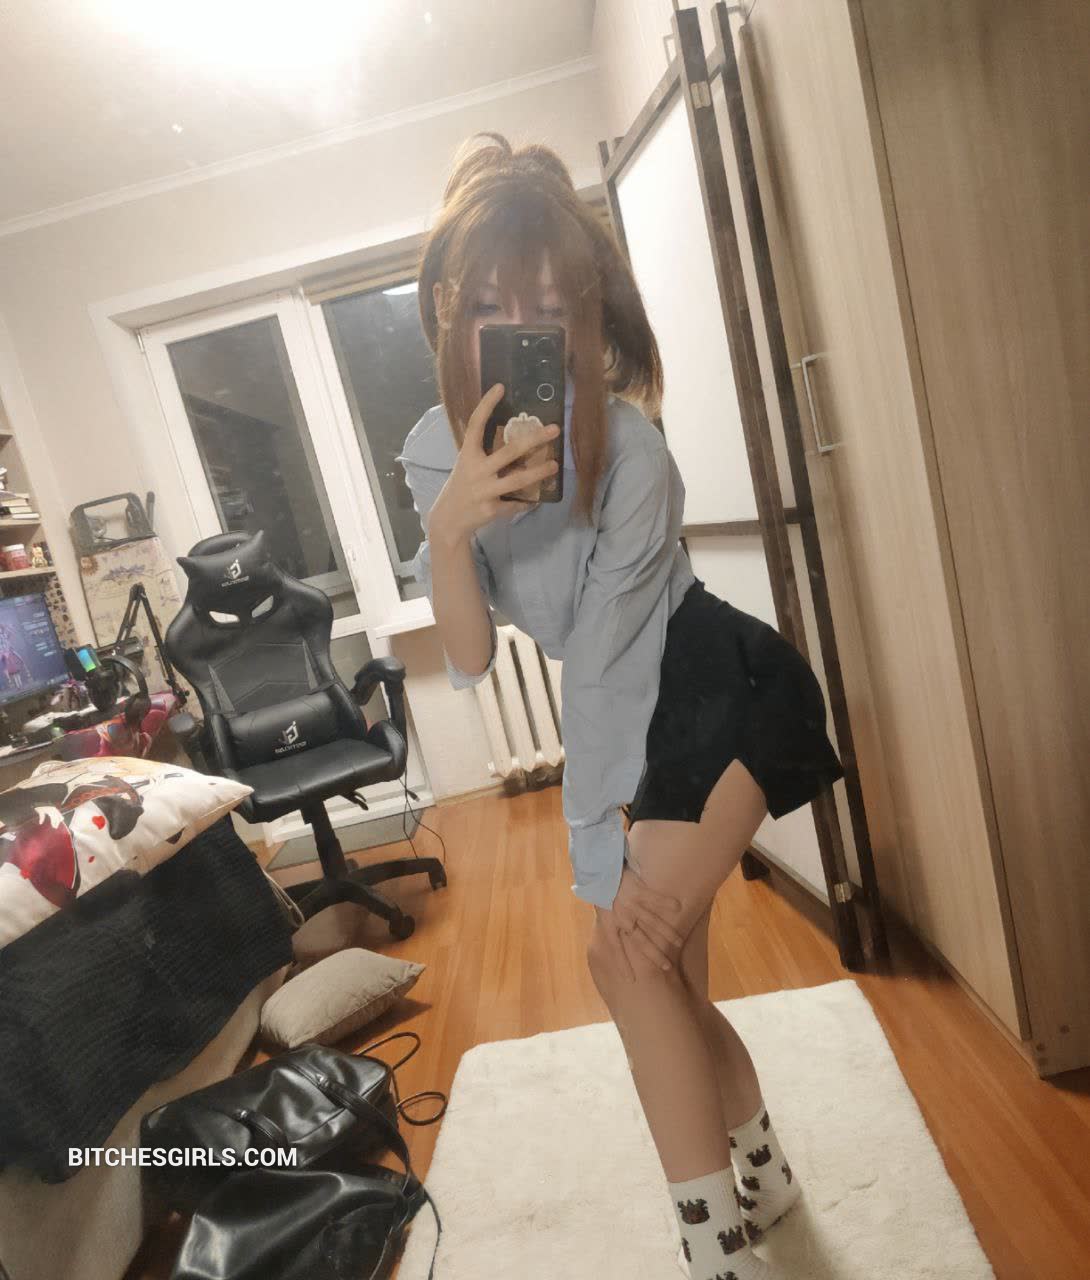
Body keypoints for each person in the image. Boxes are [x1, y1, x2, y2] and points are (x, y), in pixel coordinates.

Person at [396, 133, 846, 1280]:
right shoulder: (432, 456)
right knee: (669, 977)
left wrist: (599, 859)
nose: (523, 333)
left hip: (720, 687)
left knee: (627, 958)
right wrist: (451, 530)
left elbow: (603, 665)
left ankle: (717, 1253)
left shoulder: (633, 451)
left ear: (589, 319)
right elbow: (467, 657)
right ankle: (764, 1178)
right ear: (448, 313)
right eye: (490, 306)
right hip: (640, 720)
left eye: (551, 308)